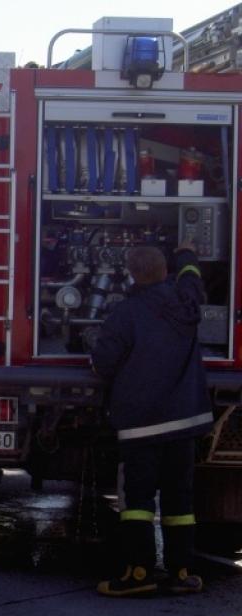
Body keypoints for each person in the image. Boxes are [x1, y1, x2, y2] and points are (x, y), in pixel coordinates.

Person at [91, 243, 212, 597]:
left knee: (138, 503)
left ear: (131, 274)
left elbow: (104, 363)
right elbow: (193, 280)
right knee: (180, 501)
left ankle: (139, 572)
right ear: (166, 273)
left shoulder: (124, 314)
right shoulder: (186, 302)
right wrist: (187, 255)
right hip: (184, 422)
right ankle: (182, 571)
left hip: (141, 425)